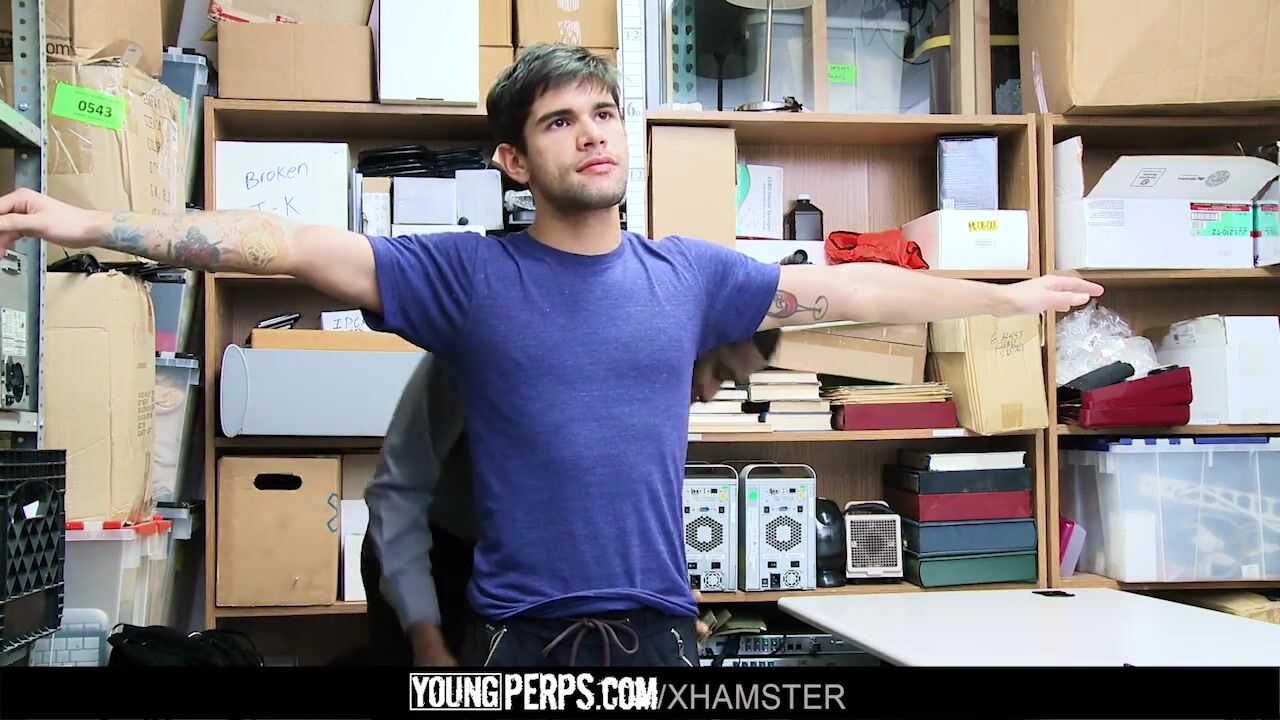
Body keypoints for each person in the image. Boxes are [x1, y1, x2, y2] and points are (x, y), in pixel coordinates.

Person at [0, 43, 1103, 667]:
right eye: (559, 121)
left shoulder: (689, 277)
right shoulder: (464, 277)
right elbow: (278, 242)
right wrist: (89, 223)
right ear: (515, 162)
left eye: (604, 114)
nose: (591, 132)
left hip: (661, 630)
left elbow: (850, 286)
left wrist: (1007, 296)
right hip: (517, 642)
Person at [363, 335, 779, 667]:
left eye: (728, 381)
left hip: (525, 576)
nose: (708, 393)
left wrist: (664, 599)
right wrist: (426, 638)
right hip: (438, 559)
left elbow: (618, 502)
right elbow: (399, 493)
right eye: (715, 370)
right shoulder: (479, 341)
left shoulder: (647, 382)